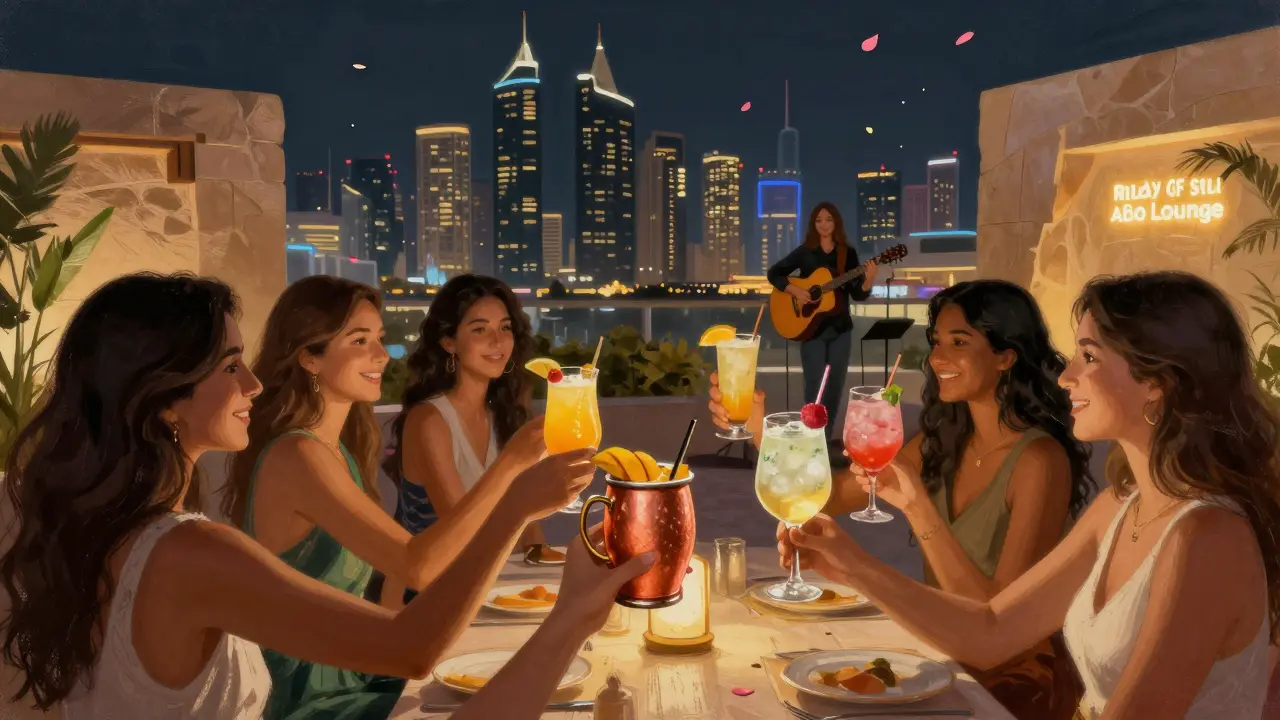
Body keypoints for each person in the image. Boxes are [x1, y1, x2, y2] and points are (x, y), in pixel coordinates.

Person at [0, 273, 648, 719]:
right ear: (163, 396)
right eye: (230, 366)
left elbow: (392, 596)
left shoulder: (120, 532)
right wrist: (514, 499)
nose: (253, 382)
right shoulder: (185, 551)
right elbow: (411, 641)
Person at [779, 271, 1280, 719]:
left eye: (1089, 357)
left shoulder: (1207, 537)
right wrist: (850, 566)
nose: (1066, 376)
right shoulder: (1120, 507)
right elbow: (992, 631)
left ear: (1156, 382)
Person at [711, 279, 1096, 719]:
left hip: (1015, 682)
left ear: (1006, 356)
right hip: (941, 650)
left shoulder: (1039, 461)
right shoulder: (942, 441)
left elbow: (996, 624)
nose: (937, 358)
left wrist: (917, 507)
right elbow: (828, 495)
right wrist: (763, 428)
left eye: (958, 342)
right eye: (935, 342)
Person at [219, 275, 555, 718]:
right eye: (360, 340)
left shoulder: (335, 450)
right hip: (316, 701)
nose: (382, 354)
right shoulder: (298, 457)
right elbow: (418, 565)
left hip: (358, 672)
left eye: (380, 338)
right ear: (309, 357)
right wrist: (512, 467)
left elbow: (387, 575)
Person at [376, 274, 550, 609]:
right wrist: (517, 468)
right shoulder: (429, 421)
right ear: (449, 342)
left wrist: (541, 570)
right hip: (427, 602)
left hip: (488, 590)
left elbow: (530, 530)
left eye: (505, 328)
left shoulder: (504, 416)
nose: (497, 342)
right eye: (480, 329)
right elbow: (463, 534)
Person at [766, 202, 878, 448]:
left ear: (835, 222)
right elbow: (774, 273)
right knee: (814, 387)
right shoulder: (805, 251)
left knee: (835, 387)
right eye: (819, 220)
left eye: (828, 219)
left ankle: (825, 443)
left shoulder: (846, 254)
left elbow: (856, 294)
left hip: (840, 330)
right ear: (813, 225)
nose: (824, 224)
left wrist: (868, 280)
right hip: (812, 331)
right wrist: (796, 291)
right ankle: (810, 441)